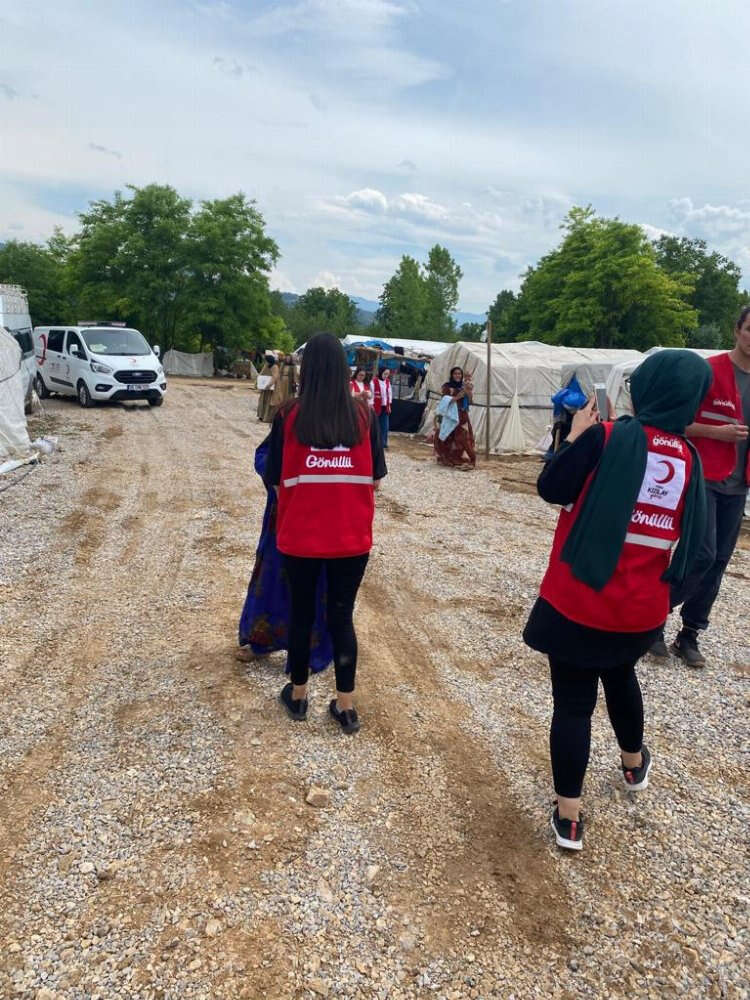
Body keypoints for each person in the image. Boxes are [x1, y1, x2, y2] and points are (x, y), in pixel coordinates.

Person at [523, 350, 711, 852]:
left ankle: (570, 817)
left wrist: (576, 436)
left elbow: (550, 487)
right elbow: (702, 551)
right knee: (621, 675)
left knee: (573, 703)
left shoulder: (606, 438)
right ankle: (632, 765)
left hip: (577, 601)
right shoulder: (689, 460)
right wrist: (664, 600)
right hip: (638, 611)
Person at [264, 333, 387, 733]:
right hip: (351, 540)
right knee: (341, 617)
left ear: (308, 369)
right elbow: (376, 479)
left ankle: (298, 695)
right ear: (343, 369)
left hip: (300, 538)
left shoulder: (288, 416)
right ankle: (345, 706)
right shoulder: (364, 416)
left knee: (301, 614)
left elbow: (275, 480)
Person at [649, 308, 750, 667]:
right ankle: (652, 617)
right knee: (701, 553)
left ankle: (689, 634)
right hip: (704, 476)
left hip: (739, 485)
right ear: (737, 330)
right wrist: (715, 433)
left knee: (719, 561)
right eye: (749, 330)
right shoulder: (708, 372)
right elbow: (677, 421)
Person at [237, 437, 333, 672]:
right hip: (285, 514)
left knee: (317, 584)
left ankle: (310, 653)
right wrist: (281, 480)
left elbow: (368, 472)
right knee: (273, 575)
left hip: (326, 518)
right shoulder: (289, 419)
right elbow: (264, 456)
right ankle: (262, 640)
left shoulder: (351, 421)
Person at [434, 366, 475, 469]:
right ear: (452, 375)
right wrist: (457, 397)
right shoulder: (447, 387)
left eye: (459, 374)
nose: (458, 375)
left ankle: (472, 460)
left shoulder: (464, 386)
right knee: (447, 436)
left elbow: (470, 401)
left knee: (463, 437)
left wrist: (468, 392)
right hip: (450, 416)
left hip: (462, 415)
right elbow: (444, 401)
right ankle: (447, 458)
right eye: (455, 374)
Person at [257, 352, 280, 423]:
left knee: (269, 402)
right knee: (263, 401)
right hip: (265, 387)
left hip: (271, 388)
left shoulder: (275, 367)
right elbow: (262, 374)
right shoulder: (267, 366)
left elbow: (275, 377)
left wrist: (269, 384)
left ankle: (267, 417)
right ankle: (262, 415)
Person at [373, 367, 392, 448]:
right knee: (375, 425)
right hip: (376, 406)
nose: (386, 376)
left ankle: (383, 442)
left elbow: (390, 393)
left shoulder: (387, 382)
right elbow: (371, 393)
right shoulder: (374, 381)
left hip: (385, 406)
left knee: (385, 426)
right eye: (385, 374)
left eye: (387, 374)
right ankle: (374, 442)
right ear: (381, 372)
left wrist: (389, 405)